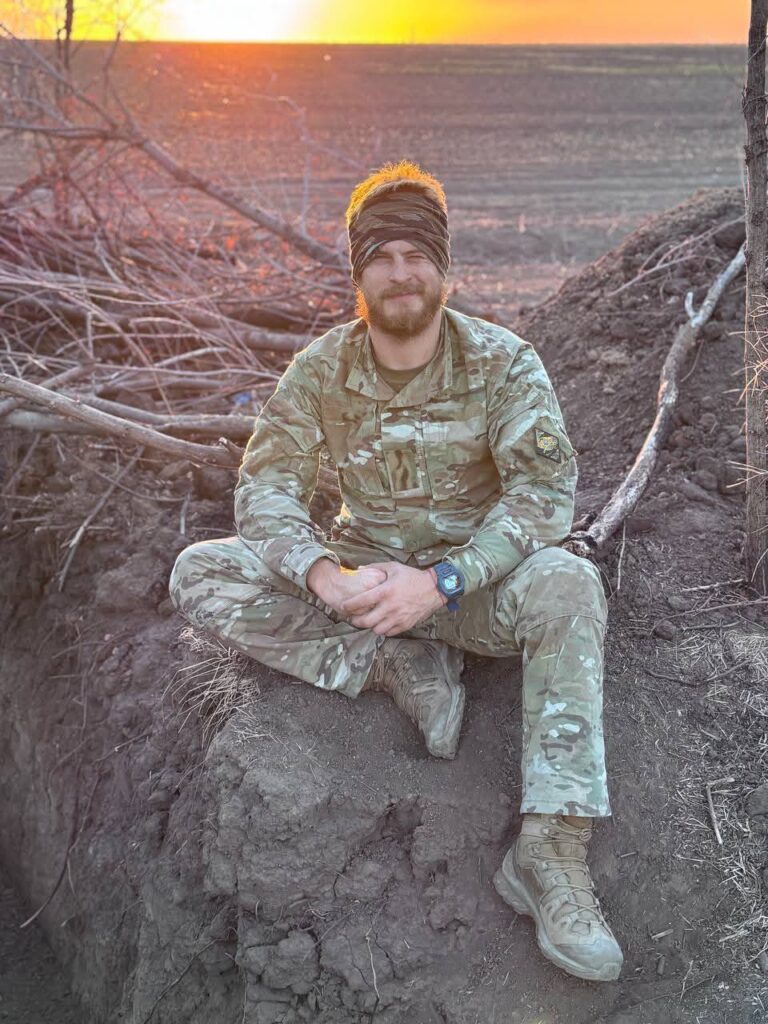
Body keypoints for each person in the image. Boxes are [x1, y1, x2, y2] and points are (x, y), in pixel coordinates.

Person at [169, 159, 622, 983]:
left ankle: (550, 853)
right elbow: (266, 487)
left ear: (444, 268)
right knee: (202, 571)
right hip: (365, 591)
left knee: (568, 584)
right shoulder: (322, 369)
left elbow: (543, 494)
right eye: (382, 256)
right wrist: (325, 576)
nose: (401, 272)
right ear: (359, 274)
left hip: (474, 593)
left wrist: (444, 581)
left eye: (418, 254)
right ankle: (391, 665)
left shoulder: (503, 363)